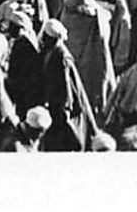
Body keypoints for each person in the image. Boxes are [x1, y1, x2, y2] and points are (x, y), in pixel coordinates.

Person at [38, 18, 96, 151]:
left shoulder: (61, 57)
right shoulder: (52, 51)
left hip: (61, 108)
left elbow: (67, 89)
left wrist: (64, 109)